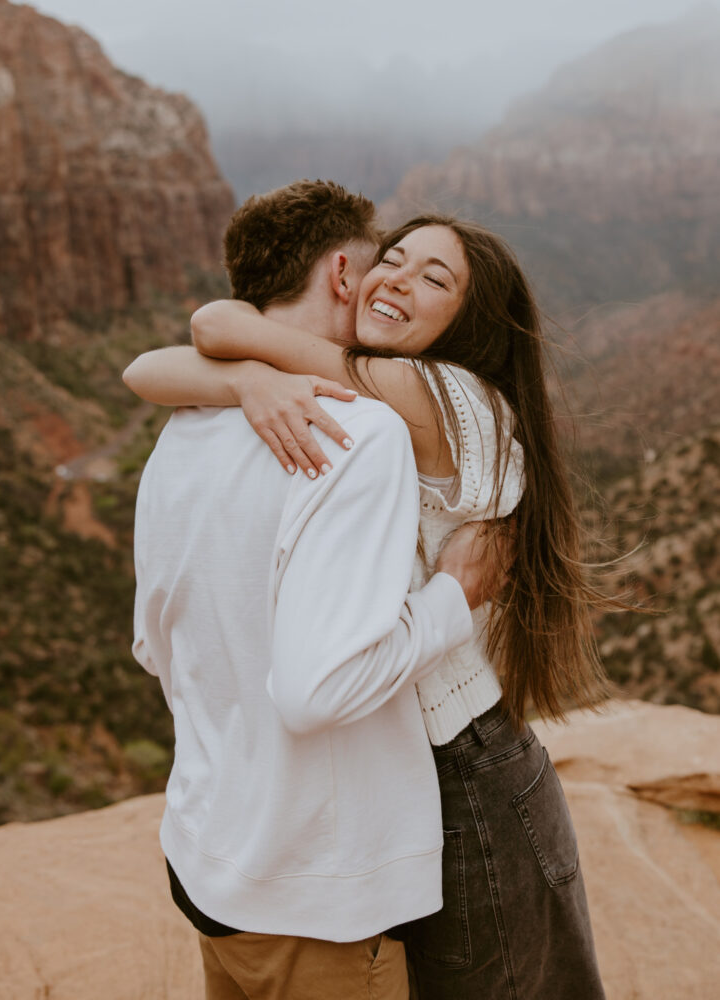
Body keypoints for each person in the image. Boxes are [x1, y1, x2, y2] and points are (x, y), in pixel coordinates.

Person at [125, 182, 608, 998]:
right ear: (350, 270)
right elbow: (165, 364)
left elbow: (213, 331)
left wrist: (240, 371)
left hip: (465, 764)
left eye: (435, 280)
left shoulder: (448, 401)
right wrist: (245, 383)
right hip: (379, 765)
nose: (398, 280)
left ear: (470, 320)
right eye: (395, 258)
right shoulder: (348, 400)